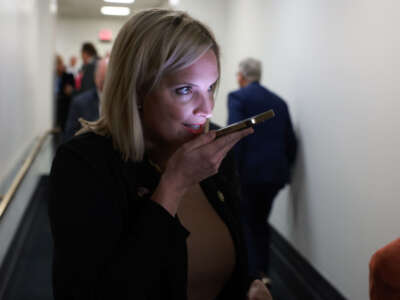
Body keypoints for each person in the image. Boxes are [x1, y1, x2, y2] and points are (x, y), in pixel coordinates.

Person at [49, 9, 272, 300]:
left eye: (210, 87)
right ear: (137, 89)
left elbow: (229, 259)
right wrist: (174, 185)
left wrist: (249, 288)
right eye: (184, 90)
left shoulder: (214, 152)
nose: (206, 109)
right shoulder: (84, 163)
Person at [227, 57, 298, 282]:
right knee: (261, 220)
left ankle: (251, 276)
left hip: (248, 174)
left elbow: (235, 136)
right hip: (275, 175)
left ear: (241, 77)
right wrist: (285, 169)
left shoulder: (238, 97)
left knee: (246, 220)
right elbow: (291, 141)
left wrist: (231, 173)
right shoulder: (279, 102)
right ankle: (264, 272)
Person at [63, 57, 108, 141]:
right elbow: (69, 137)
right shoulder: (80, 102)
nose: (103, 80)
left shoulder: (121, 103)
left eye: (106, 77)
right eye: (101, 76)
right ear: (95, 76)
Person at [54, 55, 75, 132]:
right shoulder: (52, 77)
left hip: (64, 114)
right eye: (57, 64)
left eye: (60, 63)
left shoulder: (69, 76)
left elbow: (72, 92)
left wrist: (71, 91)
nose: (59, 66)